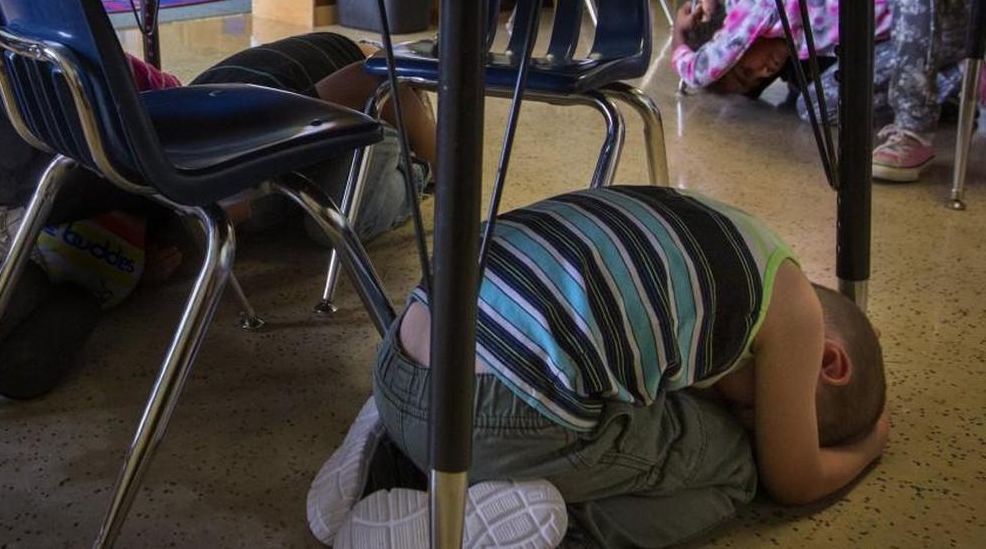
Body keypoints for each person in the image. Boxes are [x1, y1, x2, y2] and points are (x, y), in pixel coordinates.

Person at [0, 3, 435, 399]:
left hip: (220, 105)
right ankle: (46, 306)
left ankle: (414, 119)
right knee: (265, 199)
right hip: (162, 170)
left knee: (303, 185)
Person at [306, 186, 889, 549]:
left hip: (398, 359)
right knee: (736, 465)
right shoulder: (799, 315)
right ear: (830, 363)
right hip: (493, 420)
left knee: (628, 390)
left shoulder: (733, 234)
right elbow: (793, 479)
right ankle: (538, 528)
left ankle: (392, 462)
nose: (733, 409)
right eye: (751, 407)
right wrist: (870, 446)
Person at [673, 0, 969, 183]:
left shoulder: (754, 5)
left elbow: (700, 70)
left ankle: (913, 131)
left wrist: (679, 36)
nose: (764, 72)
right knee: (814, 105)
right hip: (935, 36)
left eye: (746, 70)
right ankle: (961, 75)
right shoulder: (793, 37)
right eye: (755, 80)